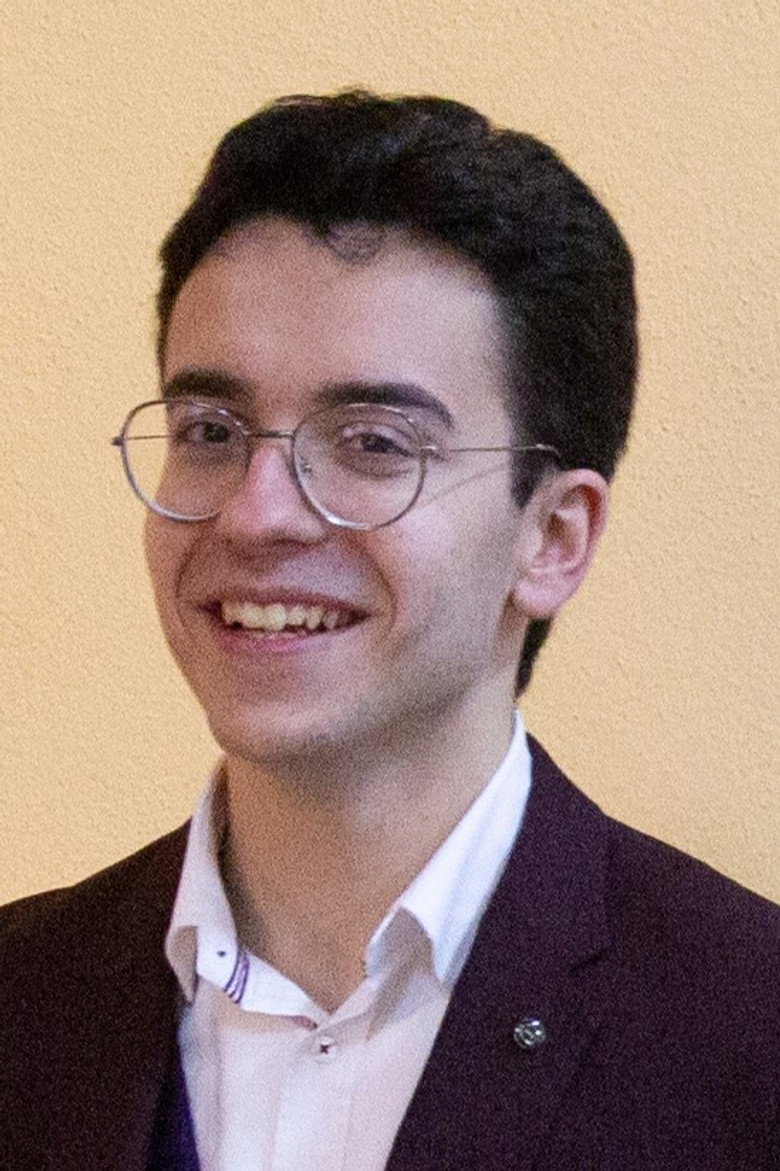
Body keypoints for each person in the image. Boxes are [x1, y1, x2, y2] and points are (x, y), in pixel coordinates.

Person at [1, 91, 777, 1171]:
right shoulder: (23, 1002)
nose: (257, 514)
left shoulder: (747, 1040)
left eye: (372, 443)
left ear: (552, 536)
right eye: (211, 431)